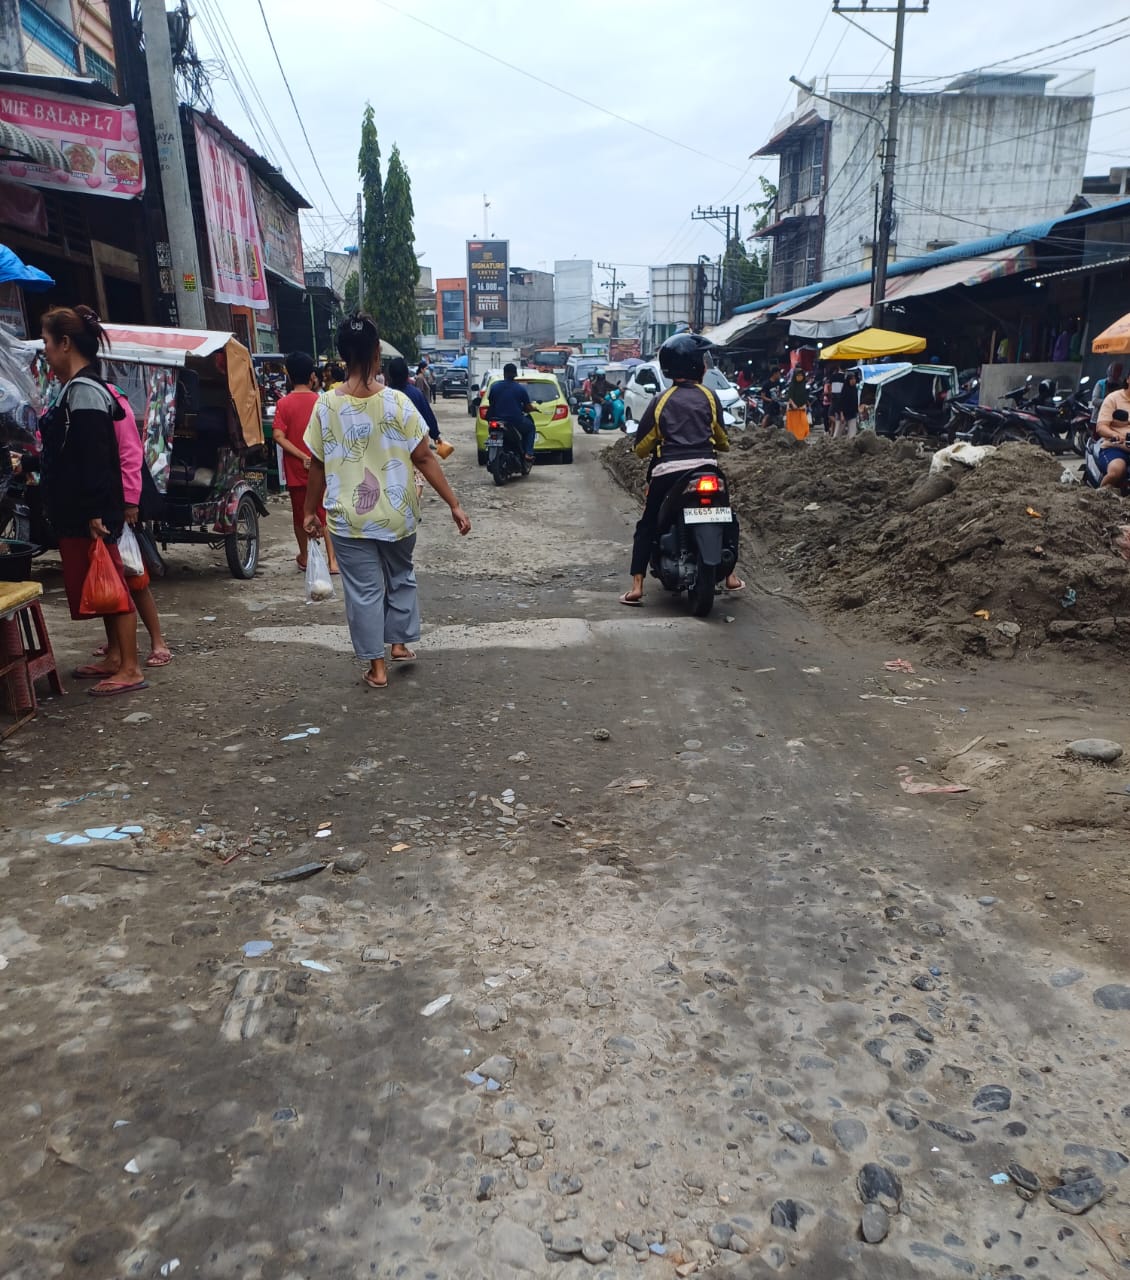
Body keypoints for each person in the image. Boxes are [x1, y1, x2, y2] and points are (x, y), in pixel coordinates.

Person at [302, 313, 470, 690]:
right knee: (400, 576)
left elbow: (317, 464)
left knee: (364, 592)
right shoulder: (398, 402)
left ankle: (377, 669)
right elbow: (424, 457)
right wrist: (454, 504)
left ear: (342, 355)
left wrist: (309, 511)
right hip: (397, 513)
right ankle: (399, 644)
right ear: (377, 352)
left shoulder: (325, 406)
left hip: (349, 519)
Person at [39, 305, 147, 696]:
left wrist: (98, 511)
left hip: (95, 510)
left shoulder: (84, 391)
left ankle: (131, 668)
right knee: (101, 581)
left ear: (66, 343)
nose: (46, 351)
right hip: (84, 508)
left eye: (48, 343)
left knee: (113, 582)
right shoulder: (77, 388)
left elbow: (96, 456)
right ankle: (115, 656)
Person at [620, 332, 744, 606]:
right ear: (696, 366)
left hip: (669, 474)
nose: (706, 366)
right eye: (703, 361)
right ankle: (731, 575)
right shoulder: (710, 396)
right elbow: (722, 439)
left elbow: (641, 447)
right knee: (727, 516)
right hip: (708, 470)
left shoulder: (661, 400)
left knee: (647, 524)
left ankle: (637, 586)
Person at [89, 381, 172, 670]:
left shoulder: (111, 398)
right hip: (105, 502)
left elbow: (130, 454)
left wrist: (130, 502)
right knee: (109, 581)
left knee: (136, 578)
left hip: (123, 503)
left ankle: (158, 642)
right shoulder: (86, 396)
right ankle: (118, 644)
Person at [273, 351, 338, 574]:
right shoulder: (322, 401)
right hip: (324, 467)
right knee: (325, 513)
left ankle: (305, 557)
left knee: (301, 514)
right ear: (312, 376)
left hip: (296, 469)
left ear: (289, 376)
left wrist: (302, 457)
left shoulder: (283, 404)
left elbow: (278, 436)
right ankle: (333, 561)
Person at [487, 362, 536, 461]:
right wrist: (533, 409)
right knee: (531, 428)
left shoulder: (495, 387)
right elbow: (527, 407)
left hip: (496, 420)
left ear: (504, 373)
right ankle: (528, 453)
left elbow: (491, 402)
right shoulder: (520, 389)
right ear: (515, 374)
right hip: (515, 421)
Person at [387, 357, 440, 442]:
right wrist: (435, 435)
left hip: (389, 442)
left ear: (390, 374)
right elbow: (427, 415)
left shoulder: (383, 395)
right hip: (413, 441)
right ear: (407, 373)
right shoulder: (416, 394)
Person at [1095, 382, 1130, 489]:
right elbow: (1101, 427)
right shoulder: (1113, 398)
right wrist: (1114, 434)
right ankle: (1099, 496)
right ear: (1128, 379)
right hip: (1116, 447)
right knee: (1116, 471)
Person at [1091, 362, 1125, 428]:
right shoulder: (1101, 384)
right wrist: (1109, 402)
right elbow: (1095, 401)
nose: (1115, 373)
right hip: (1098, 419)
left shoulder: (1122, 385)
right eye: (1113, 370)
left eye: (1118, 370)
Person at [831, 370, 859, 439]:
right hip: (843, 414)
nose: (853, 381)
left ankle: (850, 444)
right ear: (848, 380)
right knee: (838, 433)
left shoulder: (854, 389)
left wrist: (857, 412)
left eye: (854, 379)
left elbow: (855, 402)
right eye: (851, 379)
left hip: (852, 414)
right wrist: (842, 415)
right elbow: (841, 403)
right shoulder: (844, 390)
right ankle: (834, 444)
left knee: (852, 434)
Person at [785, 367, 810, 441]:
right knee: (794, 426)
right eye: (798, 376)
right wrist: (793, 405)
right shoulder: (792, 385)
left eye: (801, 375)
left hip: (801, 408)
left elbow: (805, 396)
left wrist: (805, 404)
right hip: (793, 409)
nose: (800, 377)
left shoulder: (803, 385)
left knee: (803, 424)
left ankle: (801, 439)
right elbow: (790, 397)